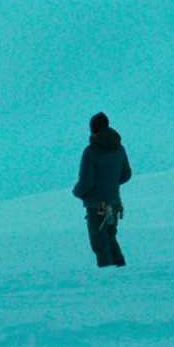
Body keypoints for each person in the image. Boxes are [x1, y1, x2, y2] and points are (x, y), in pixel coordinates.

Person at [72, 111, 132, 268]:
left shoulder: (91, 152)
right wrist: (111, 184)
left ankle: (108, 279)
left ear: (94, 129)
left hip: (96, 205)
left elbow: (86, 182)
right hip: (113, 203)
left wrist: (77, 192)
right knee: (111, 238)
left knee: (100, 244)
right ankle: (121, 271)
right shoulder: (119, 148)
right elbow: (126, 174)